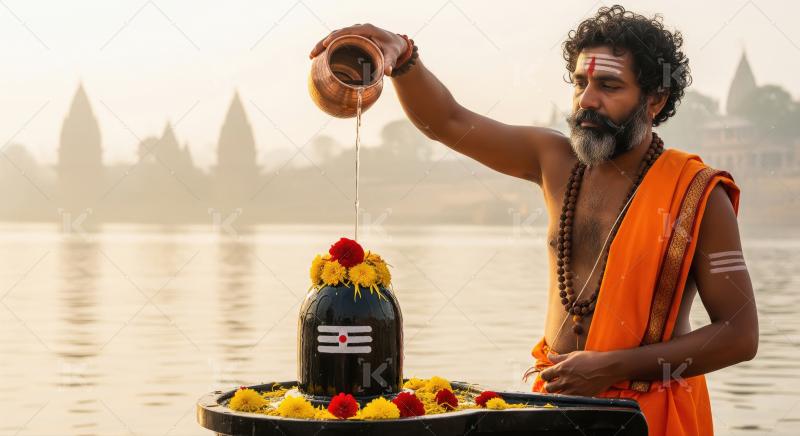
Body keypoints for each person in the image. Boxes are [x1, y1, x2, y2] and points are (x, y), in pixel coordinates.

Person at [309, 5, 758, 435]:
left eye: (609, 86)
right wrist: (403, 56)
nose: (588, 100)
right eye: (580, 82)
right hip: (552, 405)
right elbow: (447, 121)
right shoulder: (555, 161)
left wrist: (613, 367)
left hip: (645, 415)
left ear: (655, 100)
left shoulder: (699, 194)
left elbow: (739, 335)